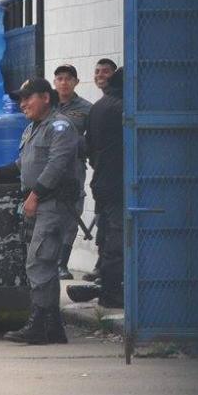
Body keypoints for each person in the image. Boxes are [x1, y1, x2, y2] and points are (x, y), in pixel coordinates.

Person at [0, 77, 79, 345]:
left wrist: (35, 196)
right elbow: (22, 164)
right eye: (20, 100)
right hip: (41, 202)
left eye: (28, 98)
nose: (23, 104)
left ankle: (39, 325)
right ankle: (52, 327)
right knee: (44, 264)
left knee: (38, 262)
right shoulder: (33, 128)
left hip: (53, 203)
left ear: (46, 98)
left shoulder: (60, 127)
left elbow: (56, 166)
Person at [68, 67, 125, 307]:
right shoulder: (123, 108)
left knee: (106, 236)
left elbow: (87, 146)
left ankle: (106, 283)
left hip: (102, 180)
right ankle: (112, 293)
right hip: (119, 182)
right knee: (117, 238)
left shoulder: (98, 106)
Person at [53, 64, 92, 280]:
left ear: (76, 82)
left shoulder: (87, 108)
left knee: (72, 213)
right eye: (59, 78)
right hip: (49, 167)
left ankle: (62, 263)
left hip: (74, 168)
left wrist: (79, 144)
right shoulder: (47, 106)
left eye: (68, 78)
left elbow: (94, 140)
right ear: (54, 82)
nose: (64, 82)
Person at [83, 57, 118, 282]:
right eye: (97, 72)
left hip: (109, 176)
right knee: (105, 222)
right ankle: (102, 267)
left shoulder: (104, 106)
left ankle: (104, 270)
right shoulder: (100, 106)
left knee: (109, 223)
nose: (100, 76)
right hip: (104, 175)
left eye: (106, 72)